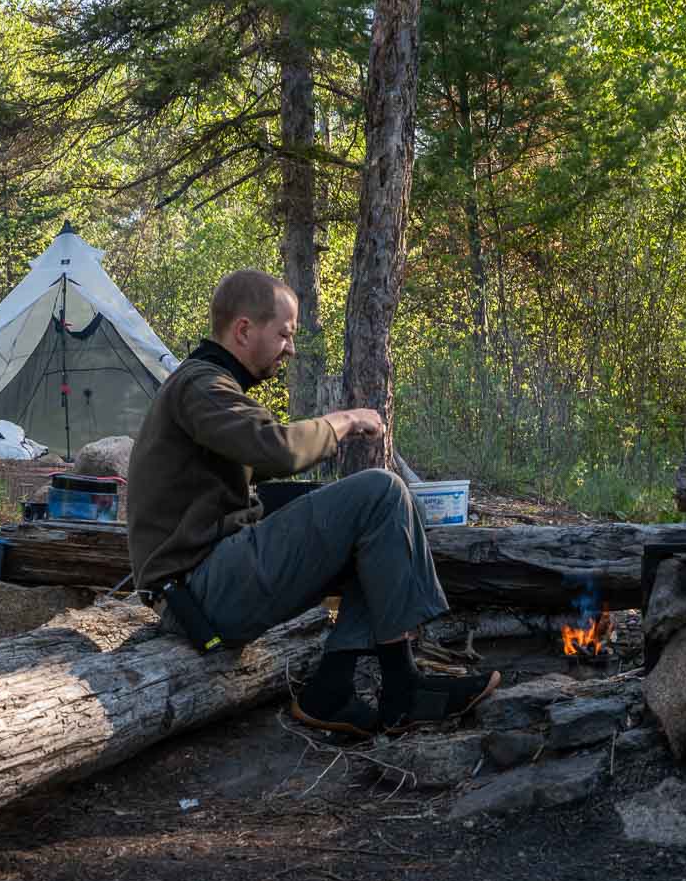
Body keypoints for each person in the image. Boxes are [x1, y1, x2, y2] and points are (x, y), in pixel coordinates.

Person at [126, 268, 500, 735]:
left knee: (379, 518)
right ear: (244, 330)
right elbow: (277, 450)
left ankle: (334, 688)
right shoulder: (201, 386)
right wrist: (342, 421)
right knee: (380, 491)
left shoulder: (213, 389)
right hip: (197, 594)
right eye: (283, 334)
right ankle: (403, 688)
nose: (291, 347)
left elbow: (257, 466)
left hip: (210, 582)